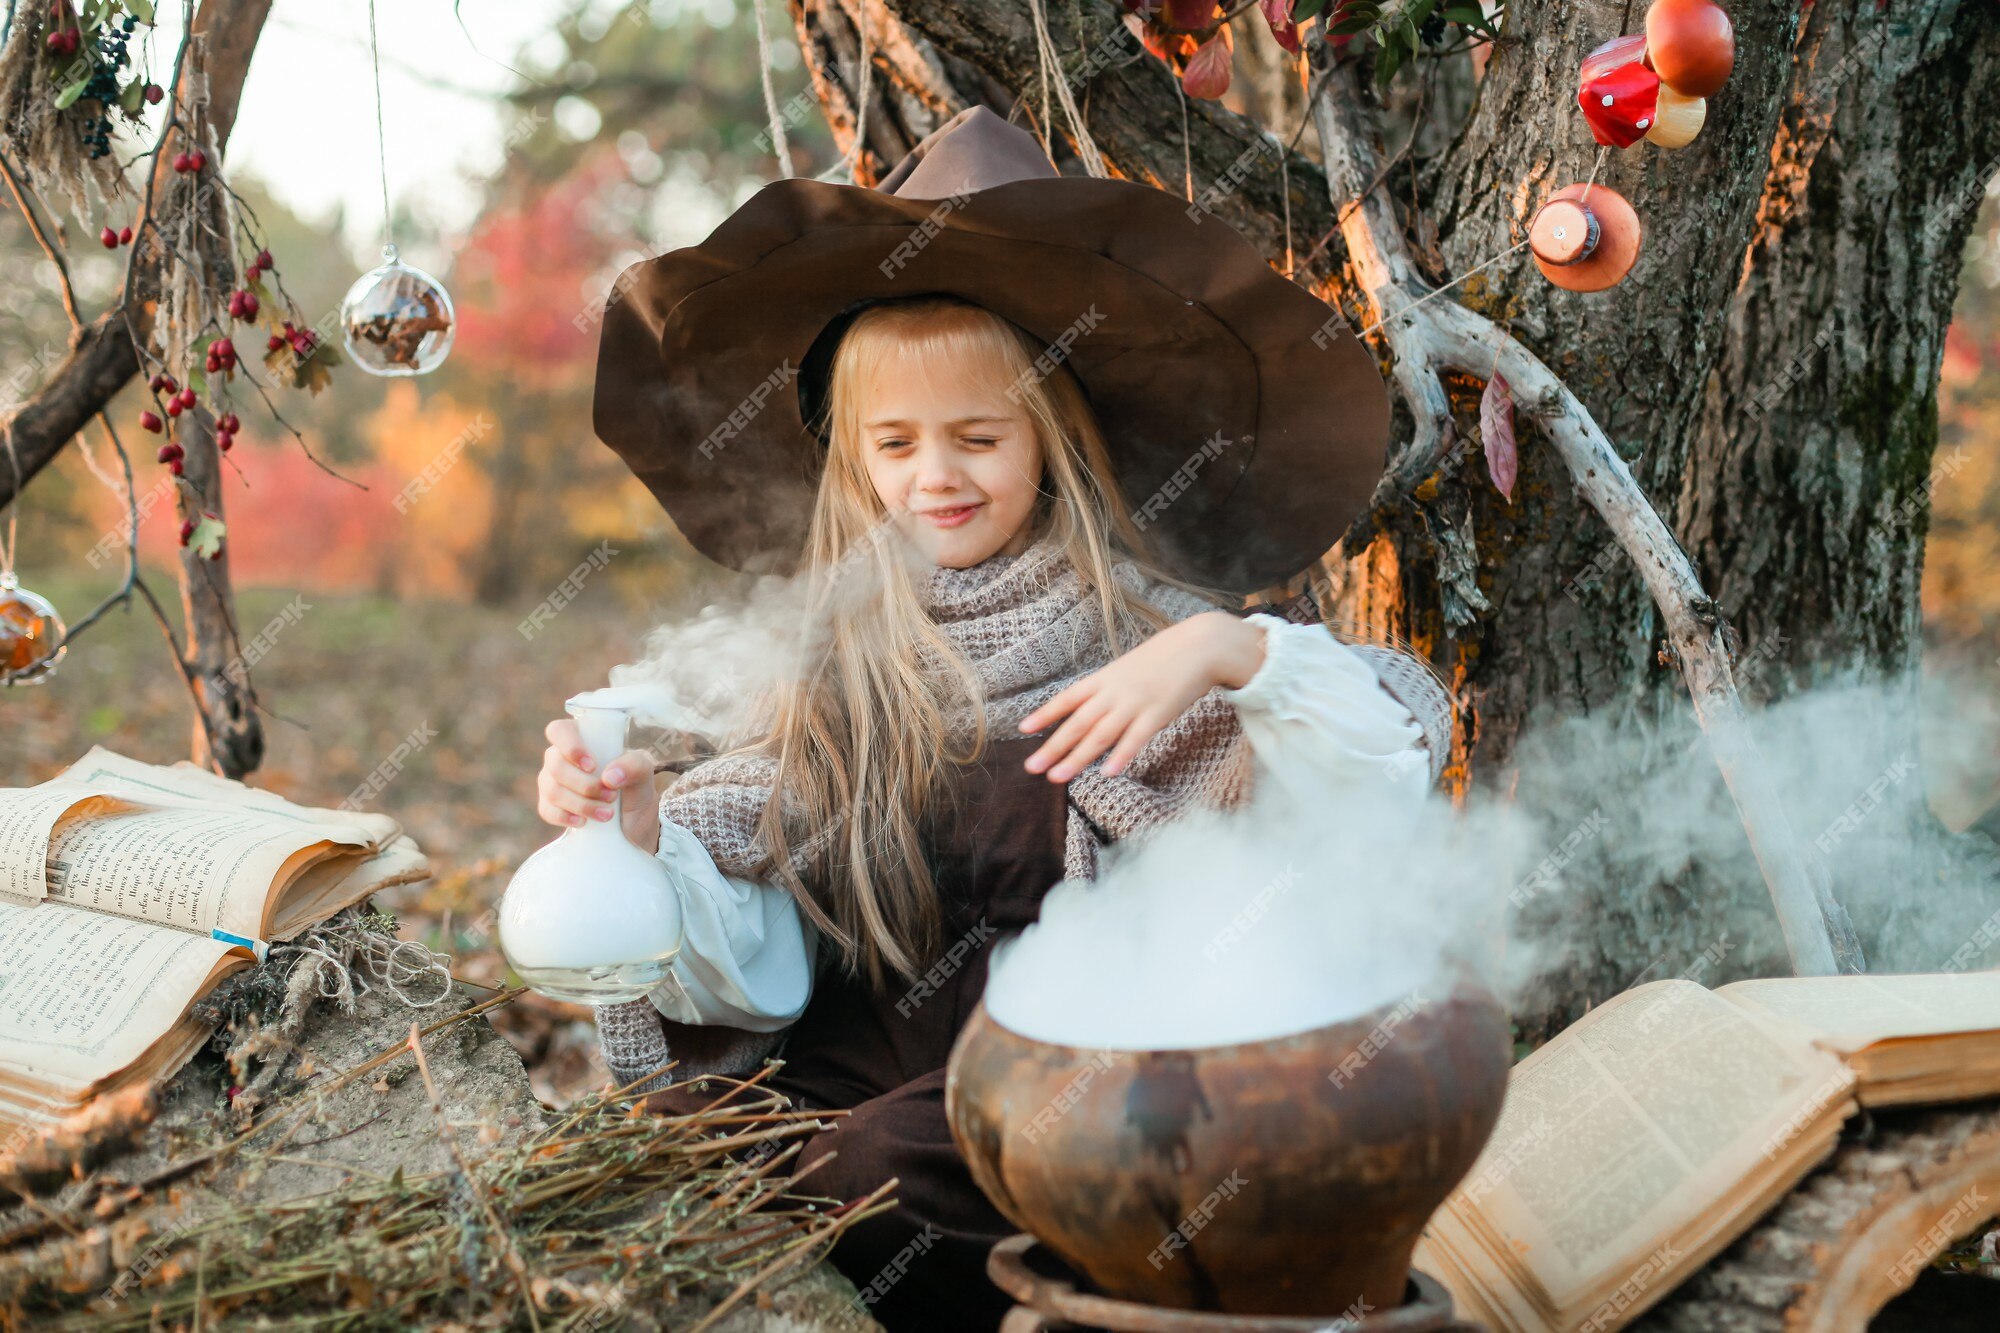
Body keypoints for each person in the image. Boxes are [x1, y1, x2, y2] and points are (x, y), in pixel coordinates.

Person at [537, 107, 1454, 1332]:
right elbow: (756, 964)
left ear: (1049, 439)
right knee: (676, 1147)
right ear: (854, 461)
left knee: (870, 1171)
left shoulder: (1148, 628)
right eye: (896, 443)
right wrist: (641, 841)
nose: (937, 476)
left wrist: (1228, 653)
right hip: (857, 1055)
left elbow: (1375, 775)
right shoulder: (832, 656)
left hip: (1072, 1079)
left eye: (978, 436)